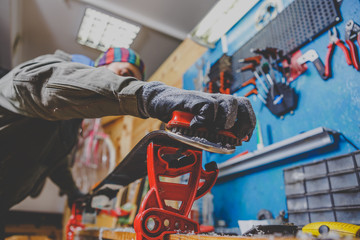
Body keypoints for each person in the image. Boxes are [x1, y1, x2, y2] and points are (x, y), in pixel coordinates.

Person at [0, 47, 256, 233]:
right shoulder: (50, 68)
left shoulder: (67, 123)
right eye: (122, 73)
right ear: (99, 67)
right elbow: (44, 84)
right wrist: (147, 96)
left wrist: (74, 193)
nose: (124, 78)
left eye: (132, 77)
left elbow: (51, 161)